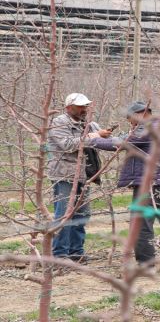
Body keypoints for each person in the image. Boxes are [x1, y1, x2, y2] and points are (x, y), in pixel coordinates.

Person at [47, 93, 116, 263]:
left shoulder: (90, 124)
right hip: (65, 175)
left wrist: (124, 142)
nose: (84, 109)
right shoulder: (59, 122)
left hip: (85, 176)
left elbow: (102, 142)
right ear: (68, 107)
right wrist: (96, 135)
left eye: (85, 106)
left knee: (82, 215)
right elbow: (68, 144)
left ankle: (76, 252)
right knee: (64, 215)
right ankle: (60, 255)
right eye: (80, 106)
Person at [117, 101, 160, 272]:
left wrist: (92, 139)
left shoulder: (147, 129)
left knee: (141, 223)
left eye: (131, 119)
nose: (131, 124)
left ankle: (147, 266)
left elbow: (119, 143)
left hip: (150, 185)